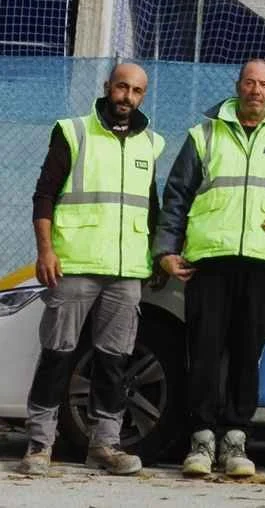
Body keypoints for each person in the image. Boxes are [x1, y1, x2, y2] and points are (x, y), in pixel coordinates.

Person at [153, 58, 265, 477]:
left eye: (264, 84)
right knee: (203, 352)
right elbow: (177, 197)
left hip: (264, 261)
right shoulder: (203, 135)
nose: (256, 91)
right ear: (237, 85)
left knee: (246, 353)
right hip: (209, 261)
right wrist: (166, 249)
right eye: (250, 83)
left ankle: (236, 439)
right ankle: (201, 439)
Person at [19, 63, 164, 476]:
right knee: (58, 356)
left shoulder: (151, 144)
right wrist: (45, 251)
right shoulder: (73, 131)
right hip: (75, 265)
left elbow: (150, 208)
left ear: (142, 96)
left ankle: (105, 446)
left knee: (115, 363)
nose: (128, 97)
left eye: (137, 91)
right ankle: (39, 445)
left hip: (126, 272)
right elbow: (44, 196)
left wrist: (155, 256)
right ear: (107, 88)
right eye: (122, 87)